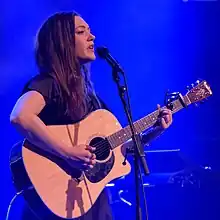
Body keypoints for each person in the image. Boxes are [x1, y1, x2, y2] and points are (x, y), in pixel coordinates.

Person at [9, 11, 173, 220]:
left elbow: (119, 149)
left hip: (92, 200)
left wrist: (155, 130)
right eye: (81, 31)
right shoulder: (48, 84)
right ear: (62, 42)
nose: (92, 37)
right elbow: (20, 116)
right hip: (58, 199)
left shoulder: (90, 97)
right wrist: (67, 153)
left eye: (90, 31)